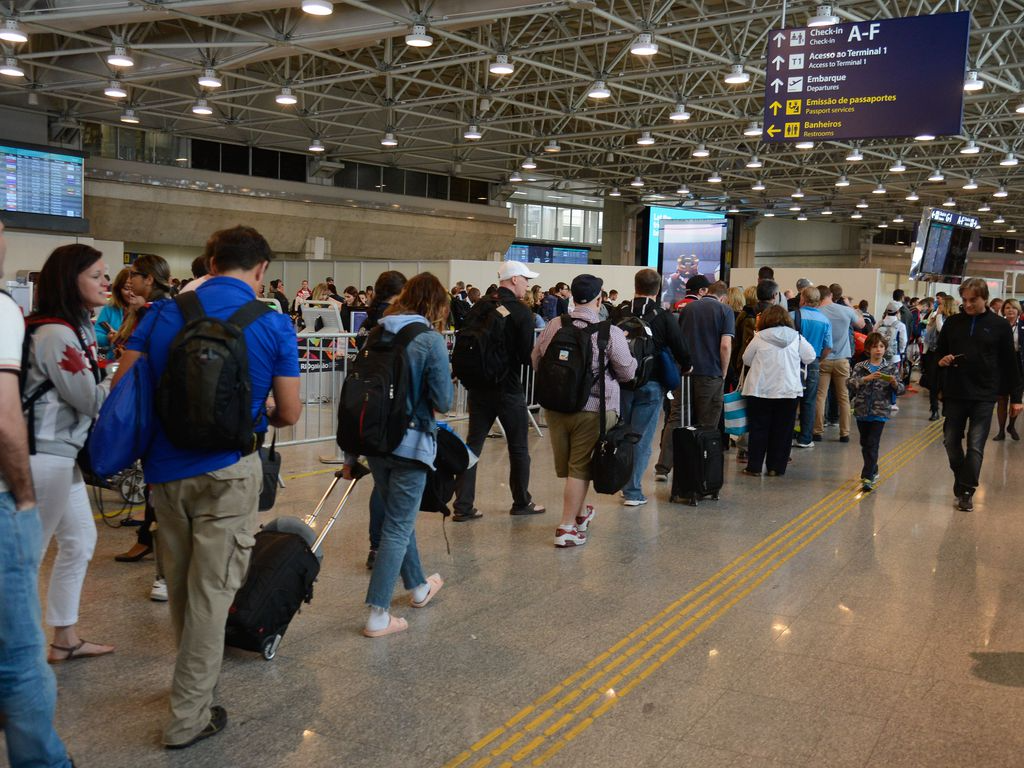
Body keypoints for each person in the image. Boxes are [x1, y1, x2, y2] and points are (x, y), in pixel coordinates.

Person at [113, 225, 301, 748]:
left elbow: (123, 386)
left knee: (183, 585)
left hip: (165, 473)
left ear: (211, 262)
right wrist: (255, 404)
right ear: (261, 270)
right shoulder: (272, 323)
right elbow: (288, 412)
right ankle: (188, 717)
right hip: (229, 470)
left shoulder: (162, 313)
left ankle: (192, 688)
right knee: (212, 593)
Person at [0, 221, 76, 768]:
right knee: (21, 658)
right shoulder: (9, 312)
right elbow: (6, 419)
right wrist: (24, 502)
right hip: (17, 483)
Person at [344, 272, 452, 637]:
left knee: (397, 518)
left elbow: (357, 390)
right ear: (436, 305)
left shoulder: (377, 333)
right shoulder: (429, 339)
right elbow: (444, 401)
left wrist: (349, 454)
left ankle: (419, 586)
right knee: (398, 525)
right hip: (410, 443)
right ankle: (377, 613)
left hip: (374, 442)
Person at [22, 244, 114, 663]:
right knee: (30, 555)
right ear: (69, 279)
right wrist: (122, 374)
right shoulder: (55, 333)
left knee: (79, 540)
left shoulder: (69, 327)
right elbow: (89, 399)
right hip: (43, 457)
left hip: (62, 456)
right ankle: (18, 651)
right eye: (96, 275)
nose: (106, 282)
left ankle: (64, 637)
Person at [532, 274, 635, 547]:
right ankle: (566, 527)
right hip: (594, 409)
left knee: (570, 467)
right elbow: (627, 371)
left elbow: (536, 358)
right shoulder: (609, 331)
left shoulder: (555, 324)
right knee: (579, 468)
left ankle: (580, 514)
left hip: (555, 407)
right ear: (599, 298)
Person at [452, 262, 545, 522]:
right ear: (514, 280)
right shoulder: (521, 312)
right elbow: (525, 356)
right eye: (526, 279)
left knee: (473, 446)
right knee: (518, 447)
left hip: (478, 387)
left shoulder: (480, 306)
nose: (527, 284)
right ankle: (521, 501)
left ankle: (463, 505)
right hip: (508, 388)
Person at [936, 278, 1023, 512]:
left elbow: (1010, 363)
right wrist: (941, 362)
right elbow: (939, 354)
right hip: (955, 391)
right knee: (951, 441)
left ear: (984, 298)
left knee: (975, 444)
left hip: (985, 394)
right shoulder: (953, 323)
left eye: (973, 300)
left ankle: (966, 491)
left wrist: (1016, 397)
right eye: (964, 300)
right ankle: (962, 476)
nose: (968, 304)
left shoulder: (1000, 326)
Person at [619, 269, 691, 506]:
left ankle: (619, 480)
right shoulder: (662, 315)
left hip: (622, 381)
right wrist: (687, 366)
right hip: (651, 383)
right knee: (641, 436)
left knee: (622, 433)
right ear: (658, 289)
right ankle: (632, 491)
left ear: (635, 285)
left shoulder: (619, 311)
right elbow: (679, 347)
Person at [654, 278, 732, 481]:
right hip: (711, 374)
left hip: (685, 373)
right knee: (707, 423)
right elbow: (725, 345)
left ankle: (663, 467)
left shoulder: (688, 308)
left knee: (676, 418)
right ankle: (701, 468)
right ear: (723, 297)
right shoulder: (725, 311)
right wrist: (723, 372)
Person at [357, 270, 407, 568]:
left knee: (381, 481)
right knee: (394, 486)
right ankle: (390, 550)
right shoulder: (398, 326)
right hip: (393, 411)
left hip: (367, 410)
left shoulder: (368, 322)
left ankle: (378, 546)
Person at [740, 305, 816, 477]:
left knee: (758, 429)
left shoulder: (759, 337)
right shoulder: (796, 338)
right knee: (783, 430)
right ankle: (776, 467)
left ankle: (754, 467)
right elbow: (810, 356)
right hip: (788, 390)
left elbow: (746, 359)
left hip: (760, 390)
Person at [848, 332, 905, 491]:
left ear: (885, 349)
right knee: (864, 443)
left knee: (872, 443)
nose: (878, 350)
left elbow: (901, 390)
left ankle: (867, 477)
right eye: (874, 347)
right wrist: (866, 378)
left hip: (880, 411)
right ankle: (873, 467)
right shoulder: (860, 366)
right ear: (868, 349)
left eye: (881, 346)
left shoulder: (890, 367)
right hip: (861, 409)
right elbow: (850, 384)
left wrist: (894, 383)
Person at [815, 283, 865, 442]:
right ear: (831, 295)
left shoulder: (817, 312)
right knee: (843, 397)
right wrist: (851, 306)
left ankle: (817, 431)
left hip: (823, 359)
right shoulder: (846, 310)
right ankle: (845, 433)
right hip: (842, 360)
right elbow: (862, 324)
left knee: (820, 397)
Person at [791, 286, 832, 449]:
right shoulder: (825, 320)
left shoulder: (793, 316)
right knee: (809, 400)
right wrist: (818, 359)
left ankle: (786, 435)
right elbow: (828, 346)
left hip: (794, 362)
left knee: (791, 399)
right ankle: (805, 438)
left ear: (802, 299)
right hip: (813, 362)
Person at [993, 299, 1024, 441]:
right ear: (1003, 310)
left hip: (1019, 364)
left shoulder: (1022, 327)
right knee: (1001, 398)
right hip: (1002, 365)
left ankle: (1011, 426)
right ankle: (1001, 430)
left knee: (1016, 398)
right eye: (1007, 308)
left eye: (1013, 308)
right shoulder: (998, 326)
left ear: (1018, 311)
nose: (1010, 310)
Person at [922, 294, 955, 420]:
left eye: (940, 304)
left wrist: (939, 316)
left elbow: (942, 329)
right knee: (933, 383)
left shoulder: (953, 319)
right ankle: (934, 409)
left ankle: (946, 407)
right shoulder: (935, 316)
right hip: (933, 353)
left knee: (946, 382)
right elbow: (928, 331)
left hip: (947, 354)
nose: (938, 306)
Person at [94, 267, 137, 356]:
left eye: (134, 288)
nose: (131, 293)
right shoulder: (110, 308)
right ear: (118, 290)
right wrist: (108, 338)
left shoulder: (145, 310)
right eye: (127, 288)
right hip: (113, 360)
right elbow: (96, 335)